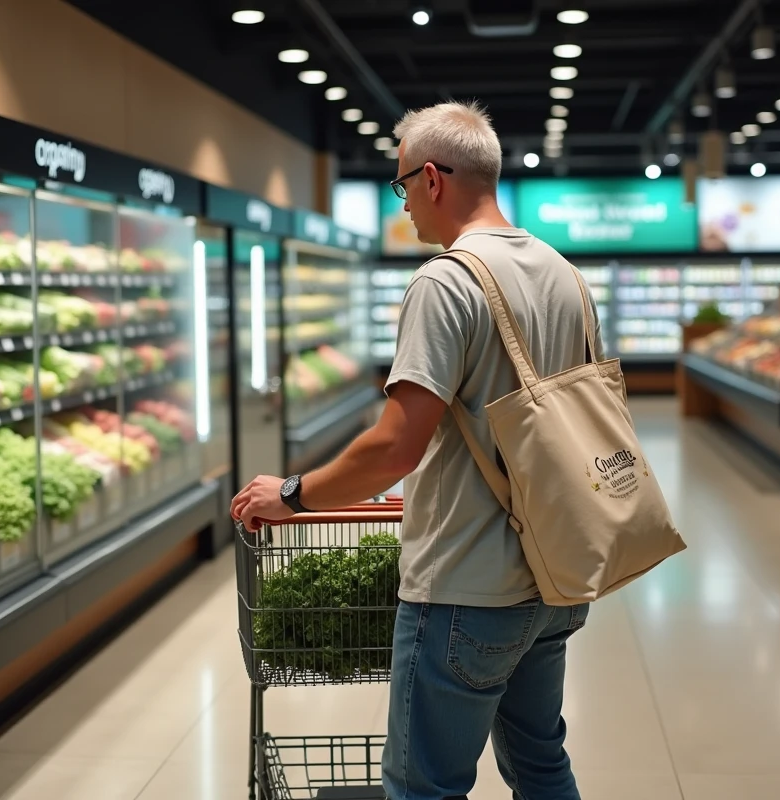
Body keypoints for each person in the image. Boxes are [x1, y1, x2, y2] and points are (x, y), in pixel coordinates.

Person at [231, 100, 598, 800]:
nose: (403, 208)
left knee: (422, 786)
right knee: (541, 764)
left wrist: (293, 494)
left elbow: (395, 446)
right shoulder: (565, 276)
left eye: (401, 186)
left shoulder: (447, 281)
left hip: (467, 585)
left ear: (432, 178)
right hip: (556, 575)